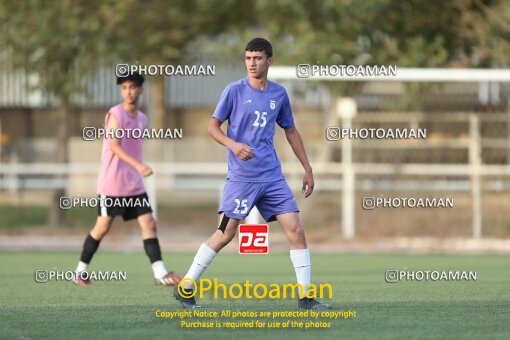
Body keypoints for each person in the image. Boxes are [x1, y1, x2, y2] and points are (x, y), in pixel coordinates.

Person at [173, 38, 330, 310]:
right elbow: (213, 127)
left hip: (272, 176)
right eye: (248, 58)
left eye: (257, 58)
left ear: (270, 60)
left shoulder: (279, 94)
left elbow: (290, 130)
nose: (252, 63)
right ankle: (186, 287)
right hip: (242, 179)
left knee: (296, 230)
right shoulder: (233, 91)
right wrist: (233, 145)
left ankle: (306, 297)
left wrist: (308, 168)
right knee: (225, 234)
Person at [73, 71, 181, 287]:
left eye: (132, 87)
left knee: (149, 223)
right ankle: (80, 272)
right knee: (102, 227)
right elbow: (113, 145)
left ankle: (160, 274)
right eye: (124, 87)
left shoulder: (142, 118)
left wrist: (136, 169)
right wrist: (139, 165)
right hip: (112, 183)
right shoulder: (116, 114)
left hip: (133, 184)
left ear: (140, 89)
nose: (128, 91)